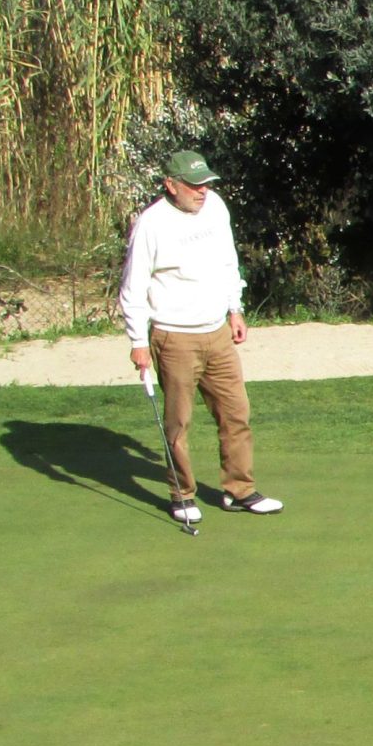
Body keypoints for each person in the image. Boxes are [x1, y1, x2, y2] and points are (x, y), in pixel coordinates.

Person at [120, 149, 282, 523]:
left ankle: (239, 491)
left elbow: (227, 261)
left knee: (236, 412)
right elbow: (133, 287)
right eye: (194, 185)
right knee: (178, 423)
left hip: (217, 332)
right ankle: (182, 495)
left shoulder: (215, 208)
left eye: (206, 183)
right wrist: (138, 342)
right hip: (174, 337)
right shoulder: (151, 224)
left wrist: (235, 308)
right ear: (171, 185)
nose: (202, 191)